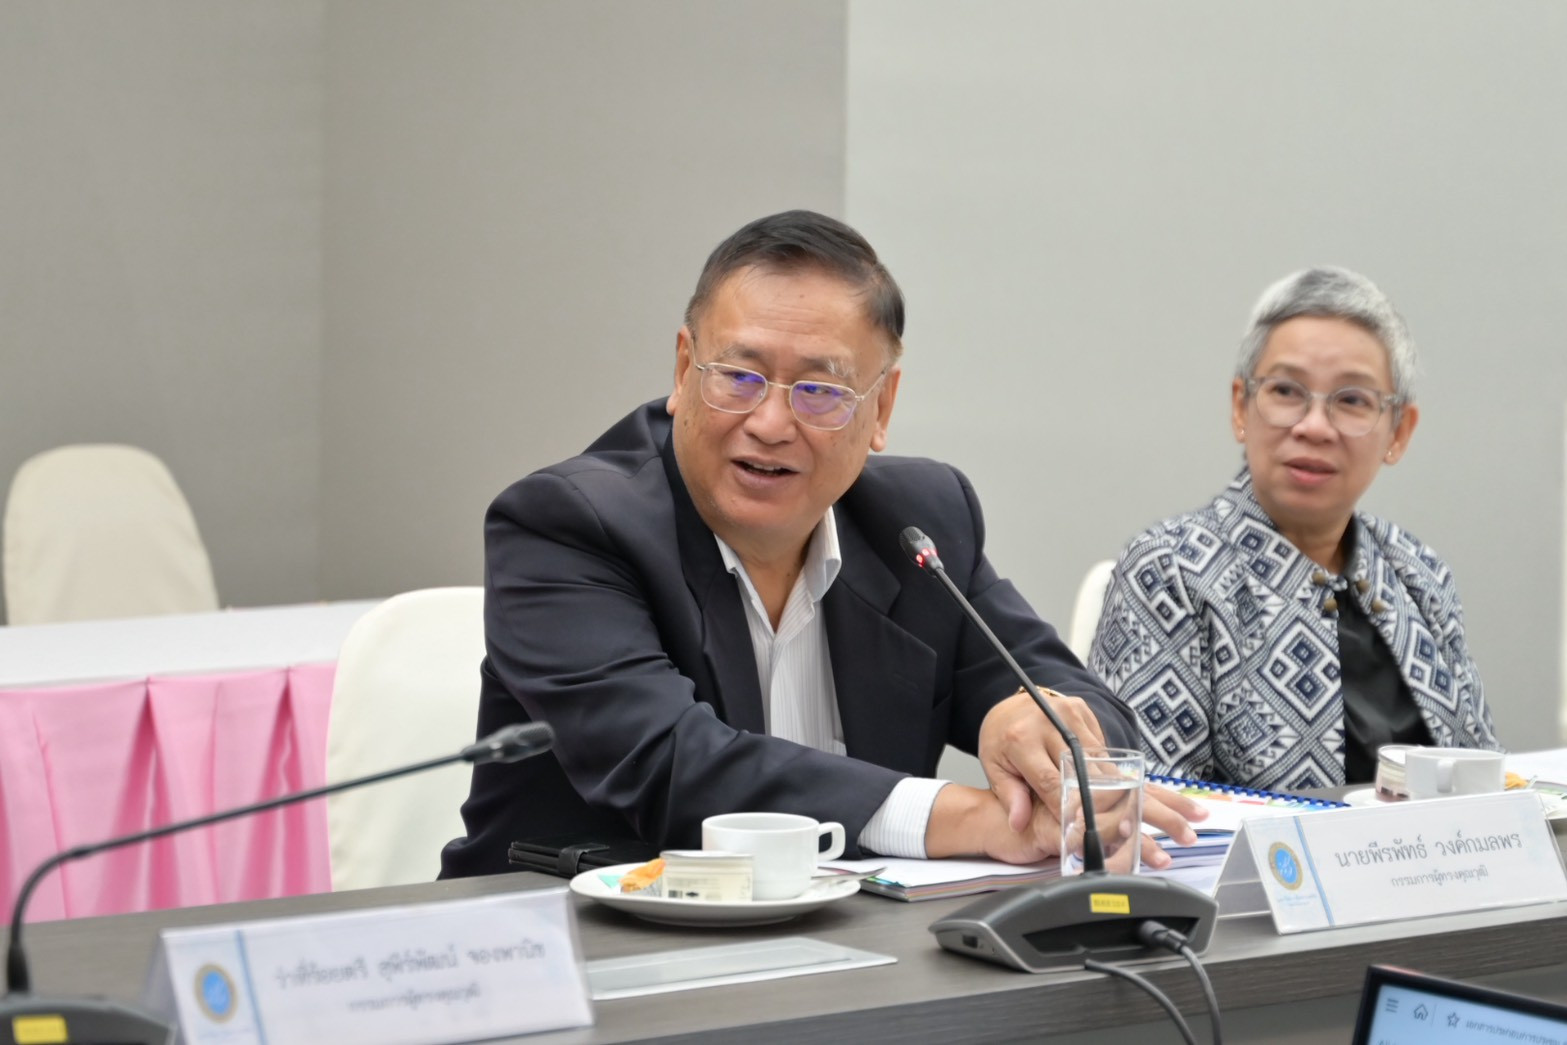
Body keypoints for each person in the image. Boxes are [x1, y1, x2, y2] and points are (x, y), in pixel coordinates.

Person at [441, 209, 1201, 878]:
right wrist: (974, 820)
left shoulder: (919, 522)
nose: (771, 423)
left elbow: (1092, 710)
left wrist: (1034, 725)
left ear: (881, 408)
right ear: (682, 369)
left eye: (820, 391)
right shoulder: (567, 526)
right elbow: (673, 767)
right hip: (579, 952)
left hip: (853, 950)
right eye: (738, 376)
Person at [1088, 267, 1500, 791]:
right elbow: (1148, 809)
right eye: (1286, 391)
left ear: (1399, 432)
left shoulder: (1419, 572)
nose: (1314, 426)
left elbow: (1487, 786)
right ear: (1241, 407)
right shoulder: (1170, 572)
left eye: (1352, 400)